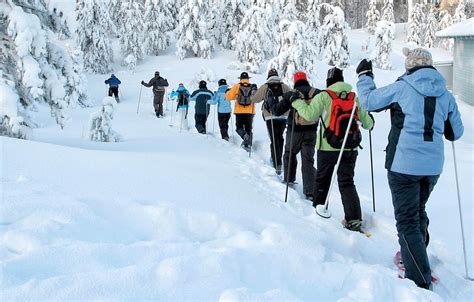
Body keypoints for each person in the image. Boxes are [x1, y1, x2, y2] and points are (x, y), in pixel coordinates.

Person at [356, 48, 463, 290]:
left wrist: (364, 76)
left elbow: (368, 101)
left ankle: (419, 277)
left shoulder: (403, 86)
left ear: (410, 66)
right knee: (417, 211)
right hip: (432, 167)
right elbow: (456, 132)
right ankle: (413, 254)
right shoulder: (445, 95)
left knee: (407, 220)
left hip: (403, 164)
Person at [292, 67, 374, 231]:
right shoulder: (354, 97)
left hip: (328, 147)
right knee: (347, 181)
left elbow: (309, 115)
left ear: (329, 82)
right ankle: (354, 219)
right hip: (350, 148)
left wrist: (296, 102)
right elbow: (368, 124)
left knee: (323, 179)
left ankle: (319, 212)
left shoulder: (324, 96)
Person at [267, 71, 320, 199]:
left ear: (295, 81)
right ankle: (310, 191)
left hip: (294, 131)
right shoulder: (317, 93)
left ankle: (289, 180)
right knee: (308, 159)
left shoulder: (291, 94)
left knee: (289, 154)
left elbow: (277, 111)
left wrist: (271, 101)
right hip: (312, 131)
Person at [251, 68, 291, 174]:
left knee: (274, 139)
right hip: (283, 116)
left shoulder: (265, 86)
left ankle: (276, 162)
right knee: (280, 138)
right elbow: (291, 98)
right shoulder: (284, 86)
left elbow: (254, 99)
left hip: (270, 117)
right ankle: (279, 161)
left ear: (268, 76)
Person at [225, 72, 257, 151]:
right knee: (248, 128)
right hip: (250, 112)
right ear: (248, 79)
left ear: (240, 79)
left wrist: (227, 92)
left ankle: (244, 136)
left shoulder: (237, 86)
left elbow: (229, 97)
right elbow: (256, 98)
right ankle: (248, 144)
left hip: (239, 112)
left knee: (239, 127)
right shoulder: (252, 87)